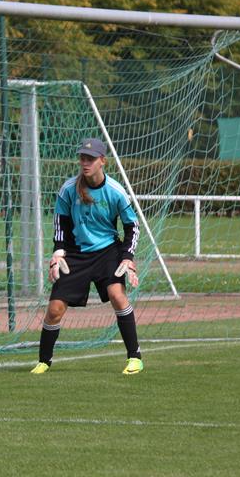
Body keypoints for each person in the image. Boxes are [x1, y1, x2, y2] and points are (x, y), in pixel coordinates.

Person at [31, 137, 143, 375]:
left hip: (108, 252)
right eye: (82, 158)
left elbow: (132, 226)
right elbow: (60, 224)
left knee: (117, 295)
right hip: (76, 254)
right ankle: (43, 361)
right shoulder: (68, 189)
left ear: (103, 161)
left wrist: (127, 257)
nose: (85, 163)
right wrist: (58, 252)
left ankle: (135, 357)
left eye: (90, 159)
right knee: (54, 309)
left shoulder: (115, 191)